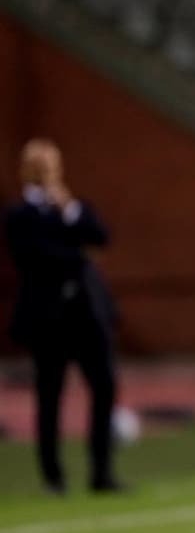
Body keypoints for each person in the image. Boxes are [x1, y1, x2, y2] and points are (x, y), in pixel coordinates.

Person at [3, 139, 125, 495]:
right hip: (49, 318)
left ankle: (102, 472)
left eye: (51, 165)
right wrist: (80, 255)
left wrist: (69, 211)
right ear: (27, 170)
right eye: (40, 166)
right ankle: (53, 477)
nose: (47, 172)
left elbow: (101, 237)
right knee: (50, 395)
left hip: (86, 314)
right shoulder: (19, 215)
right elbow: (35, 257)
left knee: (105, 386)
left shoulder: (74, 207)